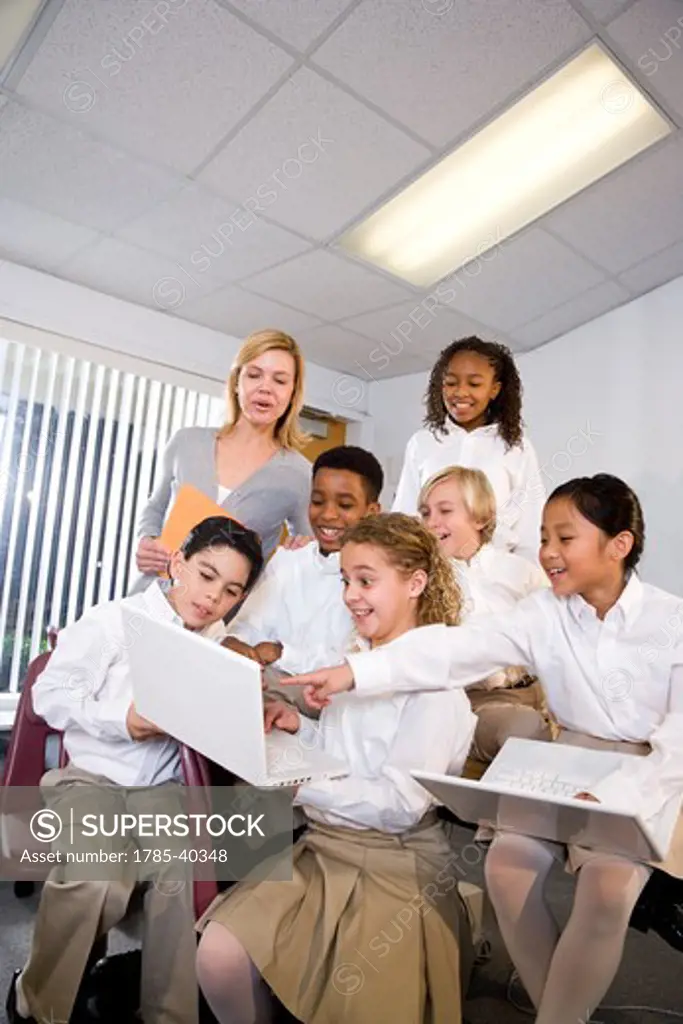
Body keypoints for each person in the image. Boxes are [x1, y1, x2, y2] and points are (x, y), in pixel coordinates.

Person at [291, 475, 683, 1024]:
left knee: (609, 889)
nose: (546, 552)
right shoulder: (543, 613)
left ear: (618, 545)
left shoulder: (673, 621)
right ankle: (563, 1012)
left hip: (647, 769)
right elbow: (455, 650)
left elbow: (677, 745)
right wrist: (352, 672)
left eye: (564, 539)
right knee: (506, 867)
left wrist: (617, 793)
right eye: (544, 537)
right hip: (563, 757)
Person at [195, 514, 478, 1024]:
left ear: (415, 584)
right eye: (346, 580)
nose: (350, 594)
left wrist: (299, 786)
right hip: (323, 849)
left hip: (396, 865)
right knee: (218, 957)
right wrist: (297, 729)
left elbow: (398, 806)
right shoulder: (353, 662)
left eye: (366, 581)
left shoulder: (439, 692)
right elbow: (340, 749)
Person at [7, 517, 264, 1024]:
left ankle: (167, 1015)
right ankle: (37, 1004)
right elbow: (48, 696)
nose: (213, 597)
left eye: (231, 589)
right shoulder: (113, 621)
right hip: (91, 779)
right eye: (206, 575)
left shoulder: (220, 647)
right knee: (95, 875)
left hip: (164, 792)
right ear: (177, 564)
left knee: (180, 884)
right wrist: (121, 720)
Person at [132, 329, 311, 591]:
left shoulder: (300, 475)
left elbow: (305, 547)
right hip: (150, 597)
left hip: (223, 622)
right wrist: (145, 540)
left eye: (280, 380)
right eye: (254, 375)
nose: (265, 388)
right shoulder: (186, 442)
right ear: (236, 382)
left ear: (293, 393)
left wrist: (303, 552)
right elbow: (155, 507)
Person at [218, 446, 383, 689]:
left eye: (345, 505)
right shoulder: (289, 559)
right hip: (260, 688)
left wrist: (282, 653)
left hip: (323, 706)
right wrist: (235, 641)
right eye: (317, 501)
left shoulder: (378, 579)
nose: (327, 514)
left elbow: (355, 662)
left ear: (371, 512)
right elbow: (249, 624)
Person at [418, 465, 550, 765]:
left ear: (481, 517)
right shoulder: (422, 582)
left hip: (536, 694)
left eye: (445, 511)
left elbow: (556, 640)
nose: (431, 523)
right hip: (474, 704)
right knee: (523, 729)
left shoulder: (521, 573)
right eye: (425, 513)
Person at [392, 337, 544, 563]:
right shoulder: (422, 443)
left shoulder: (515, 447)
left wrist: (526, 579)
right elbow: (405, 515)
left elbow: (530, 526)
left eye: (474, 384)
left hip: (495, 571)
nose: (460, 393)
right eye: (452, 383)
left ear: (494, 389)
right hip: (433, 567)